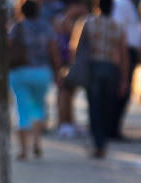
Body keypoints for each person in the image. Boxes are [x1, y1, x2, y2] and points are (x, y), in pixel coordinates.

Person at [71, 0, 128, 157]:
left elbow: (75, 47)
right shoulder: (118, 26)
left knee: (95, 106)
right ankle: (102, 141)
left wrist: (75, 66)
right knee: (106, 106)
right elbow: (124, 54)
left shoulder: (87, 22)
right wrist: (124, 79)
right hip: (112, 68)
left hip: (94, 67)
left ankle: (99, 142)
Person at [9, 0, 61, 160]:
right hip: (42, 73)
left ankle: (23, 150)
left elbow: (8, 46)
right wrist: (57, 71)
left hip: (20, 72)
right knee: (38, 107)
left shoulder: (17, 27)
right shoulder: (46, 27)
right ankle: (37, 143)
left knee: (22, 109)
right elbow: (54, 51)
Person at [109, 0, 141, 139]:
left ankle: (114, 128)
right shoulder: (122, 4)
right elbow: (118, 30)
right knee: (121, 89)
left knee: (124, 90)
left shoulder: (129, 5)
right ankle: (112, 129)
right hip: (125, 51)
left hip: (129, 51)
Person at [56, 0, 89, 138]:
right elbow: (75, 39)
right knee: (64, 93)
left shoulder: (63, 19)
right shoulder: (67, 20)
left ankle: (68, 122)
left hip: (66, 61)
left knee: (68, 94)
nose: (84, 9)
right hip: (65, 61)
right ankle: (64, 123)